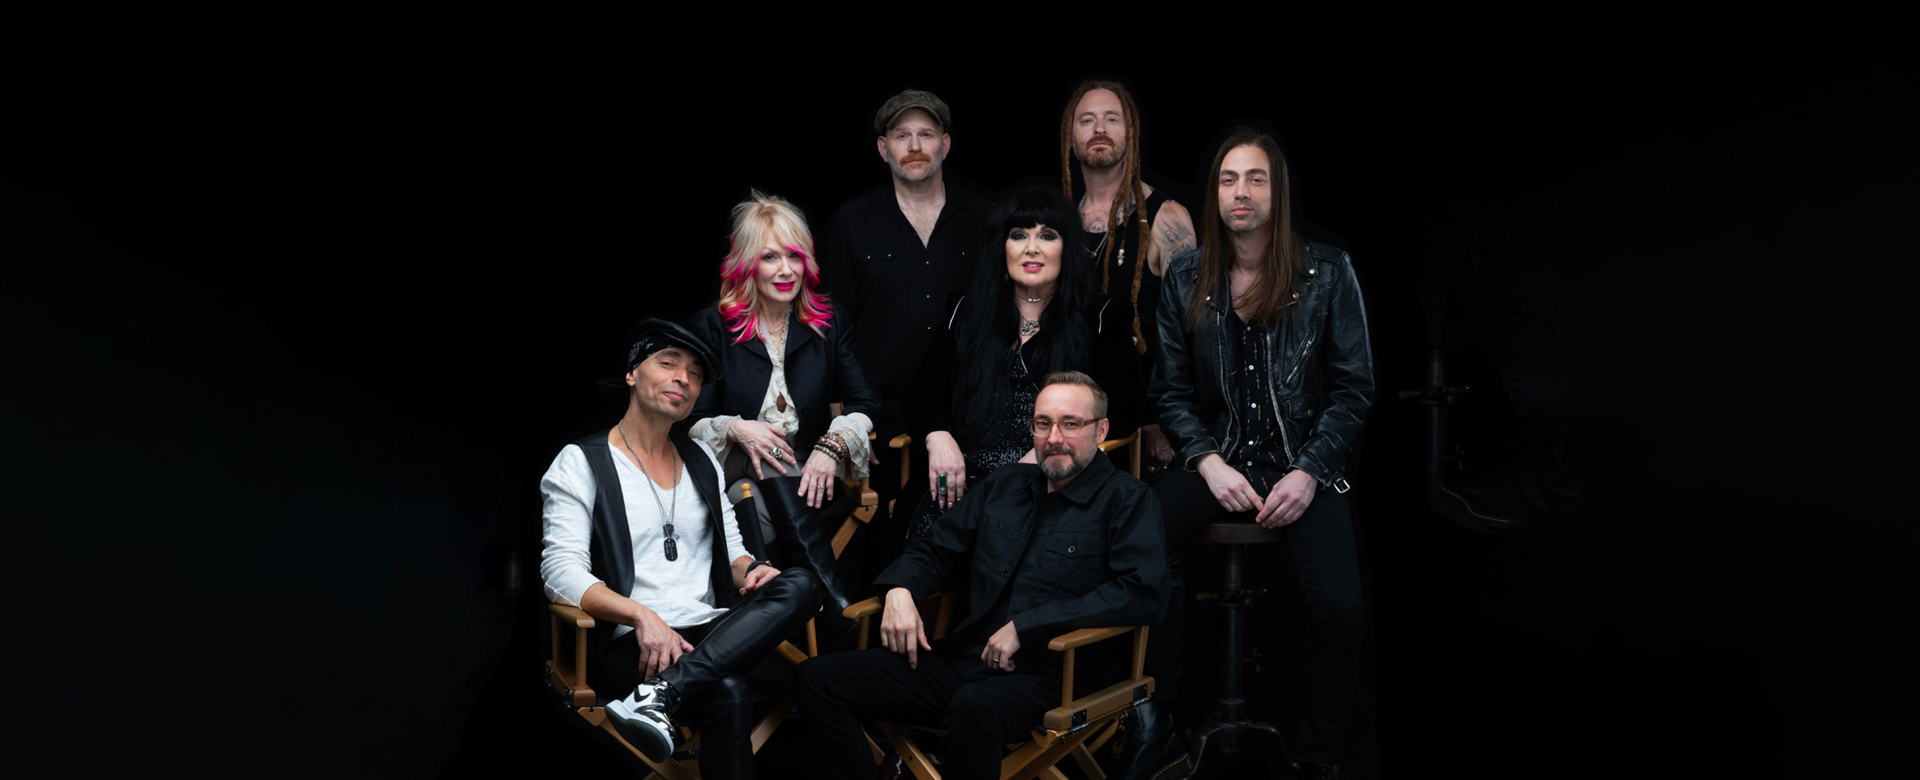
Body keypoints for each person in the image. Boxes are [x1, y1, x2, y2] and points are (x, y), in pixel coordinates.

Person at [796, 372, 1169, 780]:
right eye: (1042, 424)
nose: (1054, 438)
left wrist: (1027, 625)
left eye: (1070, 424)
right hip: (968, 661)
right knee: (819, 680)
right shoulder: (1006, 485)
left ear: (1101, 430)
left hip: (1059, 678)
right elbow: (936, 550)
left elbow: (1142, 592)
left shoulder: (1128, 499)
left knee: (975, 707)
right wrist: (900, 590)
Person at [1147, 128, 1375, 780]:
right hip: (1218, 457)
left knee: (1342, 606)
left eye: (1255, 178)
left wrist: (1310, 472)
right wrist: (1206, 462)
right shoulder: (1186, 274)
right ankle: (1159, 725)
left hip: (1303, 465)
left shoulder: (1328, 270)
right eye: (1228, 179)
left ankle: (1319, 754)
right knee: (1137, 538)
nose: (1240, 191)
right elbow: (1170, 391)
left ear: (1278, 190)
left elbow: (1355, 389)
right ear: (1214, 193)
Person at [539, 319, 825, 777]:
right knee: (726, 688)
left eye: (694, 374)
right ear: (631, 374)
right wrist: (641, 615)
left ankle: (663, 692)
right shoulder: (581, 461)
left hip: (711, 631)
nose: (683, 380)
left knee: (800, 584)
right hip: (630, 643)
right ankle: (660, 691)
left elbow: (733, 553)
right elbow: (561, 572)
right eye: (668, 363)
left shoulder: (702, 459)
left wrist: (752, 569)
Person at [899, 186, 1143, 539]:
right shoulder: (967, 311)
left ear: (1067, 247)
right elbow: (922, 393)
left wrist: (1051, 451)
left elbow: (1126, 407)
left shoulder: (1101, 316)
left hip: (1056, 478)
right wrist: (938, 438)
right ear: (1003, 247)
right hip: (963, 479)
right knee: (927, 547)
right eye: (1018, 235)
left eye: (1047, 235)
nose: (1032, 247)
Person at [820, 88, 992, 582]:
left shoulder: (985, 219)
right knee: (878, 549)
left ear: (945, 144)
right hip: (879, 420)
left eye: (926, 134)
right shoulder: (853, 222)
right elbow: (834, 328)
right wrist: (844, 422)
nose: (914, 146)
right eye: (901, 136)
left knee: (972, 544)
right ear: (883, 148)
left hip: (968, 415)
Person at [685, 190, 879, 621]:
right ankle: (832, 600)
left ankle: (762, 617)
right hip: (725, 459)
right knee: (769, 459)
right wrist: (737, 428)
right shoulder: (713, 325)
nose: (787, 269)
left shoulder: (830, 322)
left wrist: (832, 446)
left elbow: (865, 400)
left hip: (800, 472)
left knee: (749, 501)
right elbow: (690, 420)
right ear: (747, 263)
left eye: (795, 256)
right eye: (770, 257)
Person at [1059, 79, 1197, 476]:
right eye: (1087, 120)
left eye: (1112, 119)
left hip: (1140, 430)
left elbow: (1194, 334)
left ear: (1130, 133)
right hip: (1068, 428)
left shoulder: (1167, 219)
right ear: (1071, 136)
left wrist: (1161, 421)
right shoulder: (1058, 222)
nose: (1099, 129)